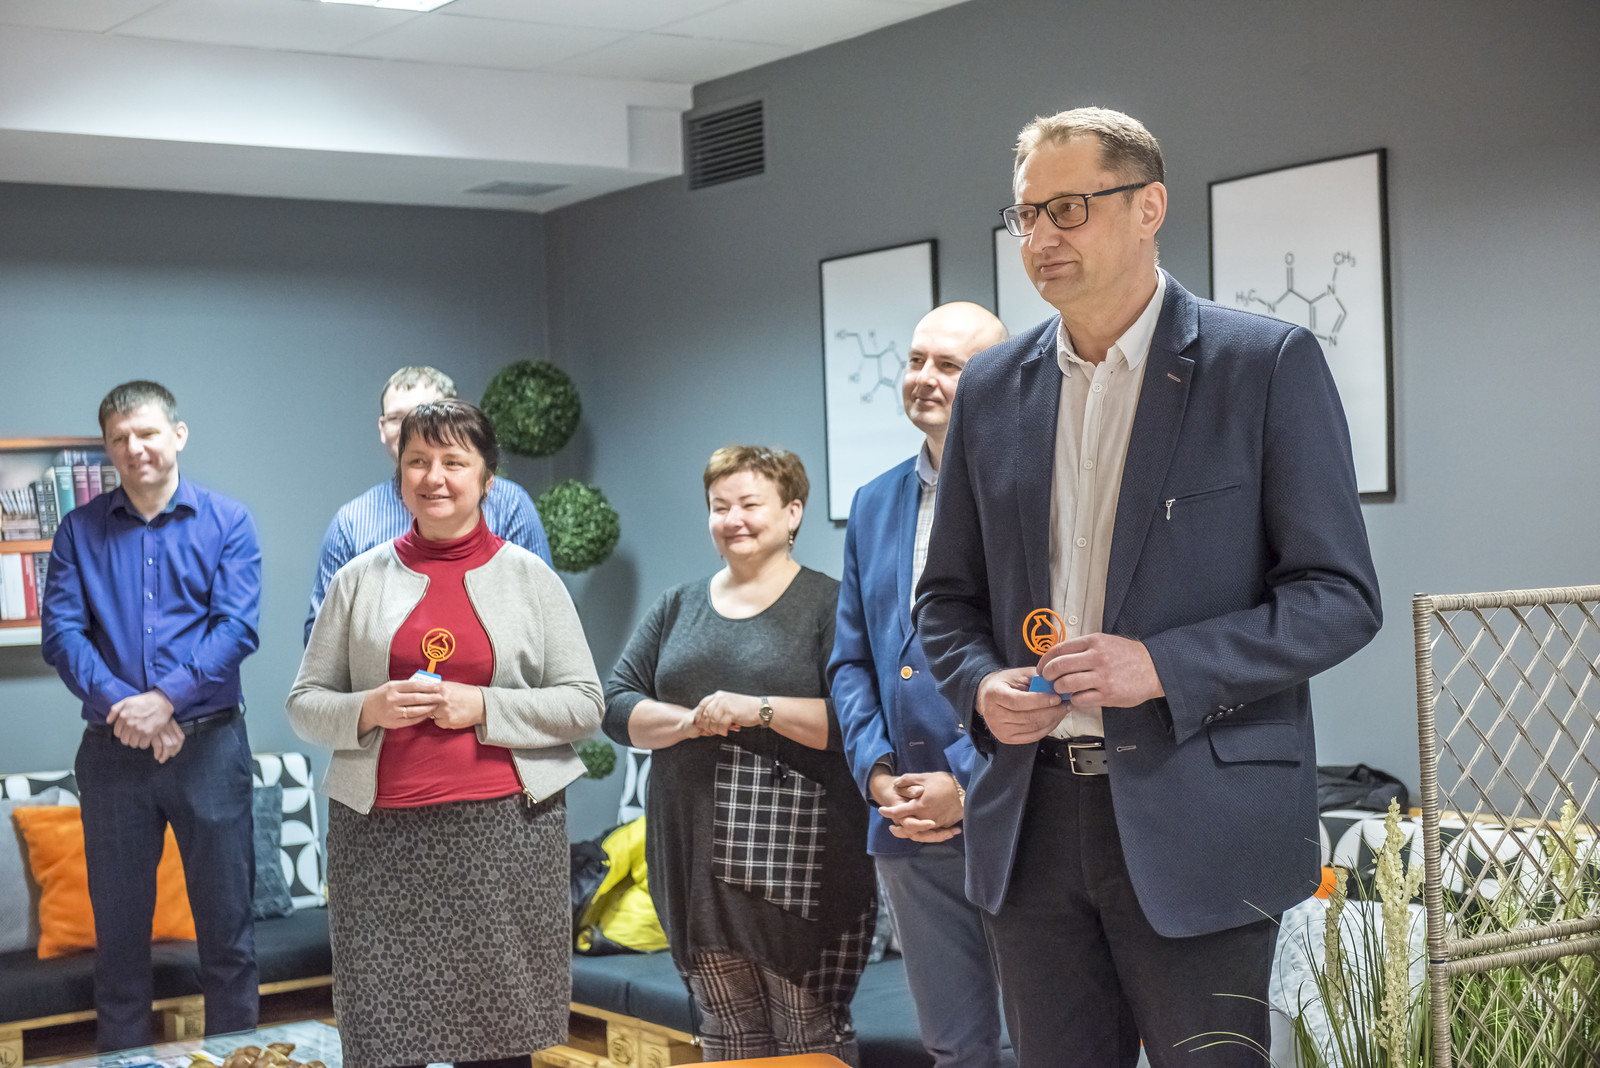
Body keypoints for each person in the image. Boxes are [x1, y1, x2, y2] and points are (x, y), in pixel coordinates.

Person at [915, 107, 1382, 1067]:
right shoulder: (992, 389)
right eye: (1027, 214)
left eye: (1070, 208)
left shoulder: (1262, 365)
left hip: (1197, 821)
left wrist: (1161, 666)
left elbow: (1339, 596)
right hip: (1030, 824)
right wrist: (981, 686)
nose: (1042, 237)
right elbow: (945, 601)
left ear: (1148, 207)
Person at [287, 399, 603, 1068]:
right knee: (383, 1039)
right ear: (399, 476)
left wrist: (482, 705)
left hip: (504, 838)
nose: (434, 477)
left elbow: (584, 704)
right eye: (417, 461)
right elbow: (304, 705)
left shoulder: (532, 579)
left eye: (454, 462)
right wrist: (368, 707)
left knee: (498, 1044)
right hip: (378, 843)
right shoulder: (355, 581)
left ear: (488, 478)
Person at [604, 446, 875, 1066]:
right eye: (719, 506)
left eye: (750, 504)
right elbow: (616, 705)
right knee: (726, 1030)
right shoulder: (677, 606)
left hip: (799, 859)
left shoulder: (831, 605)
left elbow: (855, 722)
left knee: (808, 1031)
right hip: (690, 851)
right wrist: (687, 722)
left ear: (793, 512)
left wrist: (758, 709)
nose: (733, 519)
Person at [40, 380, 262, 1051]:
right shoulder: (78, 531)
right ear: (107, 448)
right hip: (113, 756)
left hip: (211, 751)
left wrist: (165, 700)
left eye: (146, 433)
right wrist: (128, 707)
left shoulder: (228, 522)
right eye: (119, 438)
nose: (134, 448)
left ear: (177, 435)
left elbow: (236, 628)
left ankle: (237, 1061)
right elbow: (63, 635)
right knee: (119, 946)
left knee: (227, 938)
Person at [829, 301, 1010, 1068]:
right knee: (954, 1047)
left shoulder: (1029, 492)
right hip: (906, 823)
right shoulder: (874, 503)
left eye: (948, 365)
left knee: (1057, 1041)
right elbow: (851, 660)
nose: (923, 378)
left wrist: (965, 783)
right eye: (915, 361)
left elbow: (1049, 659)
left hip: (1016, 811)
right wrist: (878, 775)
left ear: (995, 380)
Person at [304, 365, 551, 642]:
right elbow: (322, 638)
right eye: (397, 418)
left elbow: (542, 616)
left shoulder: (510, 505)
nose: (412, 427)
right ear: (382, 428)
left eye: (426, 413)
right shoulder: (352, 521)